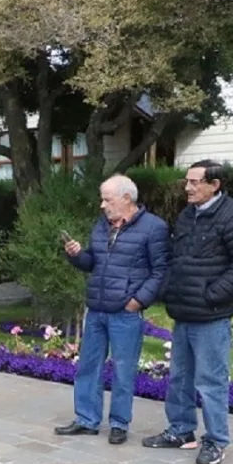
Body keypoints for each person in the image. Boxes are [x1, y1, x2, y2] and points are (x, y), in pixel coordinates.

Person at [142, 160, 233, 464]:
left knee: (210, 381)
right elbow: (177, 259)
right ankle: (181, 430)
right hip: (183, 311)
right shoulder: (188, 216)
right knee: (180, 377)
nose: (188, 187)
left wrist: (211, 295)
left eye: (195, 182)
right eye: (187, 181)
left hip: (211, 314)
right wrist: (170, 290)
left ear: (215, 185)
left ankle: (216, 440)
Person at [55, 175, 170, 445]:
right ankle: (86, 420)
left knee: (123, 370)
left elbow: (161, 271)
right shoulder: (101, 226)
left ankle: (119, 423)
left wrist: (138, 301)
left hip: (126, 312)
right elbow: (92, 262)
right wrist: (76, 255)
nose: (102, 205)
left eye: (107, 199)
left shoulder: (154, 228)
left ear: (127, 199)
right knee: (88, 366)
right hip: (96, 309)